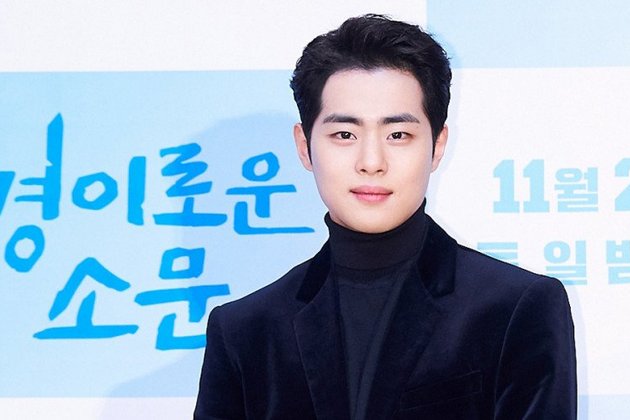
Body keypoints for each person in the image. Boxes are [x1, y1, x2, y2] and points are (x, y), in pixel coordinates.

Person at [194, 14, 576, 419]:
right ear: (304, 147)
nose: (372, 161)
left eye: (398, 135)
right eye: (345, 135)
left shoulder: (516, 308)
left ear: (437, 145)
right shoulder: (244, 331)